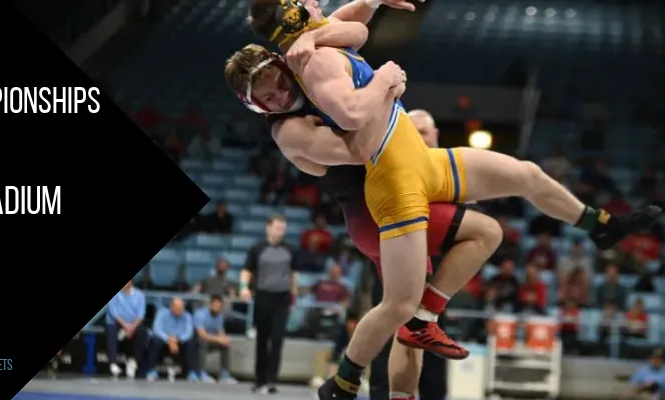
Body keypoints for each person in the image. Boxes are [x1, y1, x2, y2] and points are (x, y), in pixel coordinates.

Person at [226, 2, 662, 398]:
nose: (281, 96)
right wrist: (384, 81)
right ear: (259, 108)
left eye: (278, 84)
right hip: (381, 202)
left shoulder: (308, 55)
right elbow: (358, 142)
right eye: (268, 98)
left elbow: (352, 30)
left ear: (282, 63)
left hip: (417, 167)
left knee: (525, 177)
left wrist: (353, 13)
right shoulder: (291, 128)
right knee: (404, 301)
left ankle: (600, 225)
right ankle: (346, 380)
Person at [255, 103, 499, 399]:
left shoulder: (451, 169)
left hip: (438, 271)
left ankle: (361, 383)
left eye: (424, 131)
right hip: (393, 248)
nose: (420, 136)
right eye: (415, 131)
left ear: (435, 133)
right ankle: (371, 389)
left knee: (425, 333)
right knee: (395, 322)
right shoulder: (389, 157)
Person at [239, 214, 297, 393]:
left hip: (282, 299)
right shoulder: (258, 248)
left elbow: (293, 274)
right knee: (262, 339)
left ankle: (272, 379)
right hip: (263, 296)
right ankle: (260, 379)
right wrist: (244, 287)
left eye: (283, 228)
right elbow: (246, 270)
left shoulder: (290, 249)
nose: (281, 231)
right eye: (278, 227)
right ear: (269, 228)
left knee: (278, 339)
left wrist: (294, 295)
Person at [105, 280, 148, 380]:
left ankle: (133, 362)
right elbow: (114, 313)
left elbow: (141, 315)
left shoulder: (140, 295)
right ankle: (113, 363)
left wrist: (132, 327)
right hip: (117, 323)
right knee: (111, 329)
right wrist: (126, 327)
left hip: (134, 324)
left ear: (131, 282)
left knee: (143, 333)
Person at [146, 297, 196, 382]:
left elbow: (189, 332)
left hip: (179, 342)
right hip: (164, 341)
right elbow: (156, 329)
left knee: (191, 342)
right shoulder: (162, 313)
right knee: (155, 341)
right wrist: (169, 339)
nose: (179, 310)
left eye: (181, 308)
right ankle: (151, 371)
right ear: (171, 306)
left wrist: (177, 339)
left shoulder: (187, 316)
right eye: (177, 308)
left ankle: (191, 372)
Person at [193, 295, 237, 384]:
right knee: (203, 342)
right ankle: (201, 373)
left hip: (210, 340)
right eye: (215, 305)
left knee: (225, 345)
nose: (216, 307)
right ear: (210, 304)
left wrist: (225, 339)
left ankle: (224, 374)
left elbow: (220, 332)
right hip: (195, 342)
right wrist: (218, 339)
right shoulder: (200, 314)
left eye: (219, 306)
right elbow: (202, 334)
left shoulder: (219, 317)